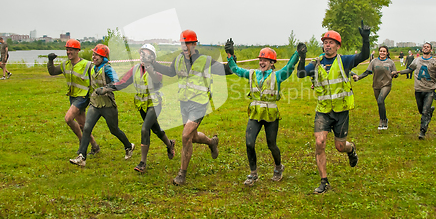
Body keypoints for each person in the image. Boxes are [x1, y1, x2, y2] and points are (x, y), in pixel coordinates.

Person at [297, 21, 371, 194]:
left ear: (338, 46)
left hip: (341, 111)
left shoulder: (344, 61)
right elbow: (301, 74)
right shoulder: (316, 63)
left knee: (340, 147)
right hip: (323, 110)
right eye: (325, 42)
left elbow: (363, 56)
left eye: (330, 42)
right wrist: (302, 57)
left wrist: (365, 40)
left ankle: (350, 149)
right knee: (319, 142)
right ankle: (324, 181)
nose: (327, 45)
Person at [151, 30, 233, 186]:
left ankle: (182, 174)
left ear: (194, 44)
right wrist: (153, 63)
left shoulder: (205, 60)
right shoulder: (178, 60)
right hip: (184, 102)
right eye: (182, 43)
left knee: (185, 135)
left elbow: (227, 70)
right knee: (192, 137)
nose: (184, 46)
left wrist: (230, 56)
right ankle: (211, 143)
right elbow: (169, 72)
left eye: (187, 43)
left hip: (200, 103)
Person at [224, 38, 302, 186]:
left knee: (271, 145)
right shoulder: (253, 74)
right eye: (261, 59)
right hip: (255, 114)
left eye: (265, 60)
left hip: (271, 115)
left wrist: (297, 54)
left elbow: (290, 67)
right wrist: (230, 55)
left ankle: (279, 167)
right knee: (249, 143)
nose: (262, 62)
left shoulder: (277, 75)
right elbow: (236, 70)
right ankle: (253, 174)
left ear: (272, 63)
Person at [97, 43, 176, 172]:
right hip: (142, 105)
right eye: (142, 53)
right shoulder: (135, 69)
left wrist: (150, 68)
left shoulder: (156, 69)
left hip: (155, 104)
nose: (143, 56)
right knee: (156, 129)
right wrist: (106, 89)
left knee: (145, 129)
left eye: (146, 54)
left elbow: (156, 80)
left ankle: (142, 163)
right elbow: (122, 83)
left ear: (153, 57)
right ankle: (170, 144)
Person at [69, 44, 135, 167]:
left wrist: (105, 89)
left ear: (104, 57)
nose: (94, 57)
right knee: (87, 128)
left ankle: (128, 146)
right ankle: (82, 157)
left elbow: (117, 84)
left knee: (114, 130)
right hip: (94, 104)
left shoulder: (108, 69)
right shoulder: (92, 68)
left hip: (107, 105)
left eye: (97, 55)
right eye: (93, 54)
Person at [47, 39, 100, 153]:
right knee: (82, 125)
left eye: (71, 50)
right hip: (73, 96)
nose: (68, 52)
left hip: (83, 97)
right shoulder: (65, 64)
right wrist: (50, 61)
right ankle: (95, 146)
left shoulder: (87, 64)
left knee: (68, 118)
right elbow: (52, 72)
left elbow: (97, 76)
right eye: (67, 50)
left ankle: (82, 142)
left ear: (77, 51)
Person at [393, 42, 436, 139]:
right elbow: (409, 70)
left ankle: (422, 132)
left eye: (427, 47)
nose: (425, 48)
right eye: (424, 47)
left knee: (424, 111)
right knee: (421, 110)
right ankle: (430, 112)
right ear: (422, 49)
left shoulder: (434, 62)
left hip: (430, 90)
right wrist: (398, 72)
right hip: (418, 89)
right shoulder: (417, 60)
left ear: (431, 50)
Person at [352, 46, 397, 130]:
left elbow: (395, 74)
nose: (382, 53)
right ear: (378, 52)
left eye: (384, 51)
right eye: (381, 51)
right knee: (380, 103)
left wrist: (395, 74)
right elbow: (367, 72)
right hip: (376, 85)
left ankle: (382, 121)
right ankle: (385, 118)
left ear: (387, 53)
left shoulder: (390, 62)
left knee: (380, 100)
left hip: (386, 84)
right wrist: (358, 77)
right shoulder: (374, 61)